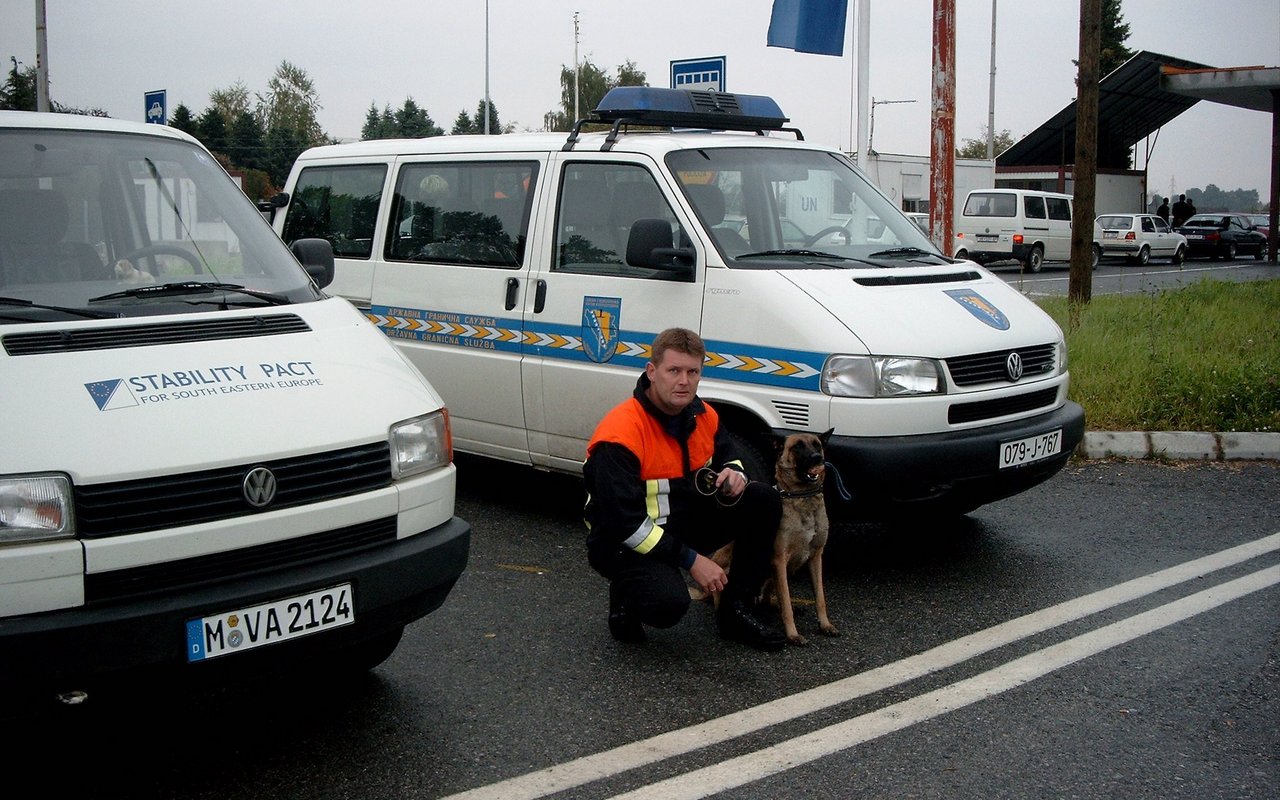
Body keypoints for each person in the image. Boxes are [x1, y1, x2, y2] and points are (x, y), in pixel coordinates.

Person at [583, 327, 787, 651]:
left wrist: (735, 475)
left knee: (762, 499)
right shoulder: (620, 434)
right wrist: (693, 561)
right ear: (652, 372)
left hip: (679, 521)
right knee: (668, 606)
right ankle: (625, 597)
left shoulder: (703, 414)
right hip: (623, 540)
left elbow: (729, 455)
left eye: (693, 372)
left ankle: (736, 611)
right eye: (674, 370)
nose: (684, 381)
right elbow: (624, 525)